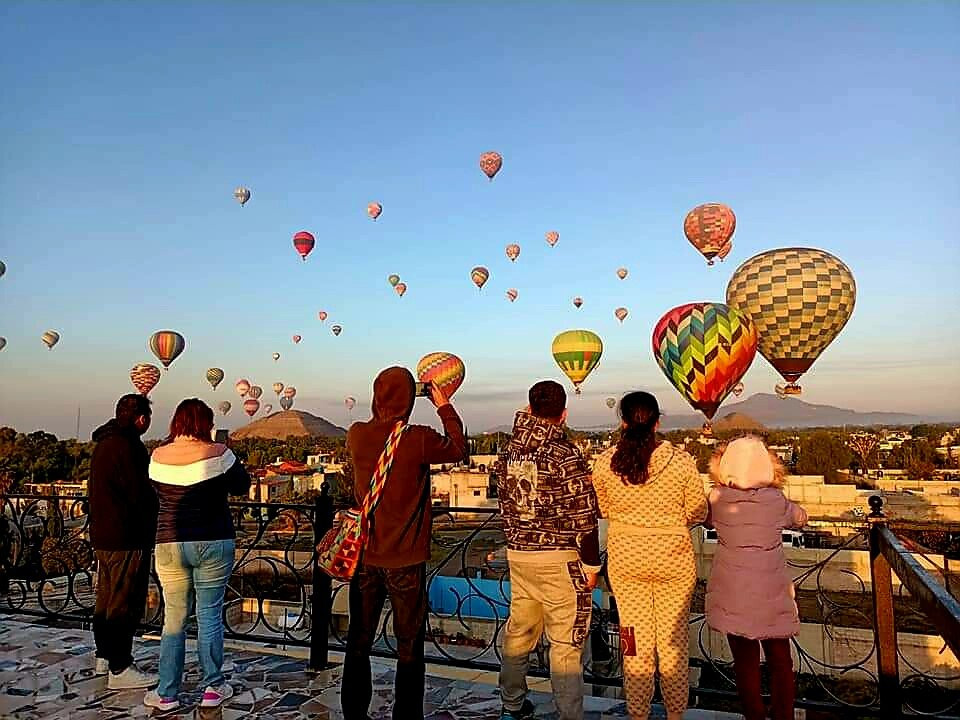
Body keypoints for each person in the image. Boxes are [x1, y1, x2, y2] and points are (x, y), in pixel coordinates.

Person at [341, 367, 467, 720]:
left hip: (365, 555)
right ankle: (406, 715)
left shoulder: (356, 434)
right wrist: (444, 405)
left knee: (359, 638)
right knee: (409, 644)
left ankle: (354, 711)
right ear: (410, 399)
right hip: (406, 560)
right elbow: (459, 448)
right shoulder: (417, 438)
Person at [592, 391, 707, 720]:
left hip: (626, 561)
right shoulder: (681, 461)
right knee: (674, 642)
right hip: (674, 559)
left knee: (633, 640)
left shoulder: (606, 462)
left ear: (623, 422)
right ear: (658, 422)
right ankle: (675, 714)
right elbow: (698, 512)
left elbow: (602, 507)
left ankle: (638, 713)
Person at [497, 380, 602, 720]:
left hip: (519, 554)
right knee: (565, 644)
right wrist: (591, 565)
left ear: (529, 409)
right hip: (559, 559)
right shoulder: (565, 454)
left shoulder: (508, 452)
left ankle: (511, 704)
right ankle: (569, 714)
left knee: (519, 633)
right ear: (564, 414)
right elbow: (584, 516)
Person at [143, 399, 250, 713]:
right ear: (207, 423)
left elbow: (155, 495)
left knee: (173, 619)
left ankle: (167, 693)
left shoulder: (157, 457)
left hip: (169, 542)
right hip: (213, 540)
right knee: (209, 615)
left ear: (176, 422)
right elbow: (242, 486)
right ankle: (213, 687)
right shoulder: (219, 453)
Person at [705, 436, 807, 720]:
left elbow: (704, 518)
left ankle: (754, 715)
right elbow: (800, 518)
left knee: (745, 663)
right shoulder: (776, 501)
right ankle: (783, 714)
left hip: (733, 589)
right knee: (780, 660)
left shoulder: (717, 499)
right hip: (771, 590)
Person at [89, 393, 159, 689]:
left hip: (103, 534)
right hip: (126, 536)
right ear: (141, 419)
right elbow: (139, 494)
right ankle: (120, 667)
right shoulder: (129, 448)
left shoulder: (104, 444)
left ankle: (104, 656)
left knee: (105, 598)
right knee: (123, 601)